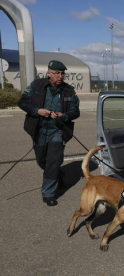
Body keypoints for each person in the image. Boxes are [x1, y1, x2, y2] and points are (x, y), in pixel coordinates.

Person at [18, 60, 80, 206]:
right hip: (38, 130)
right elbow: (23, 102)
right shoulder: (36, 85)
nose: (60, 76)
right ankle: (58, 174)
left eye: (62, 73)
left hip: (57, 131)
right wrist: (37, 111)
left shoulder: (69, 91)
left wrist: (63, 116)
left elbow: (75, 111)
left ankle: (48, 194)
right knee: (42, 161)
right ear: (49, 73)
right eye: (57, 73)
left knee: (53, 161)